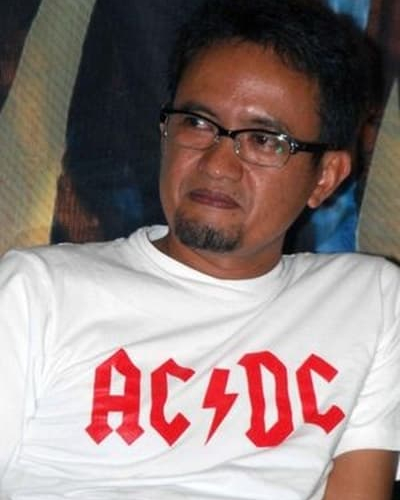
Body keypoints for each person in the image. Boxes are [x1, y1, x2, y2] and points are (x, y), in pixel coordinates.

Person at [0, 0, 399, 499]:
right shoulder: (37, 292)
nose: (217, 165)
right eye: (198, 123)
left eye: (264, 140)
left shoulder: (368, 300)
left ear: (325, 177)